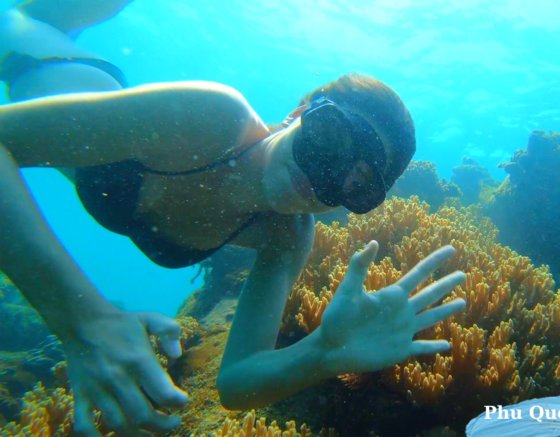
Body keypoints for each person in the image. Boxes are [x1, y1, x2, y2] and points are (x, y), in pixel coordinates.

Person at [0, 1, 467, 436]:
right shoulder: (213, 119)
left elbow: (239, 382)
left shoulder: (285, 235)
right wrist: (84, 319)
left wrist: (323, 352)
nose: (319, 175)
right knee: (24, 21)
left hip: (100, 108)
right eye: (329, 140)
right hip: (45, 64)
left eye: (356, 184)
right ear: (298, 113)